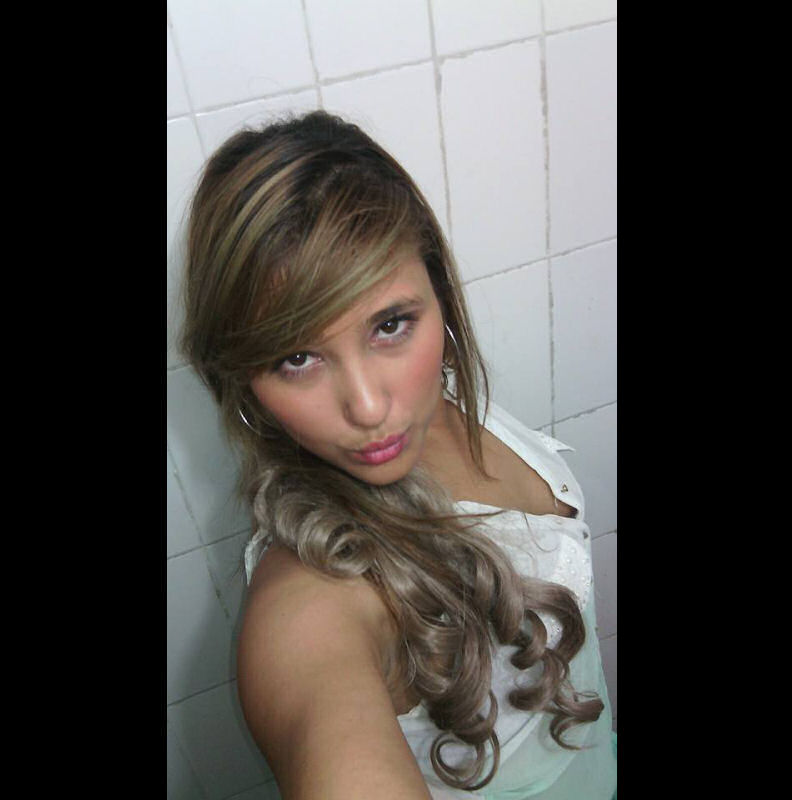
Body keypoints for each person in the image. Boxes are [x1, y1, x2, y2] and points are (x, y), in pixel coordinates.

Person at [179, 110, 616, 799]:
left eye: (390, 325)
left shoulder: (444, 400)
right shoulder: (309, 603)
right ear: (242, 379)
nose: (368, 407)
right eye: (296, 358)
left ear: (437, 290)